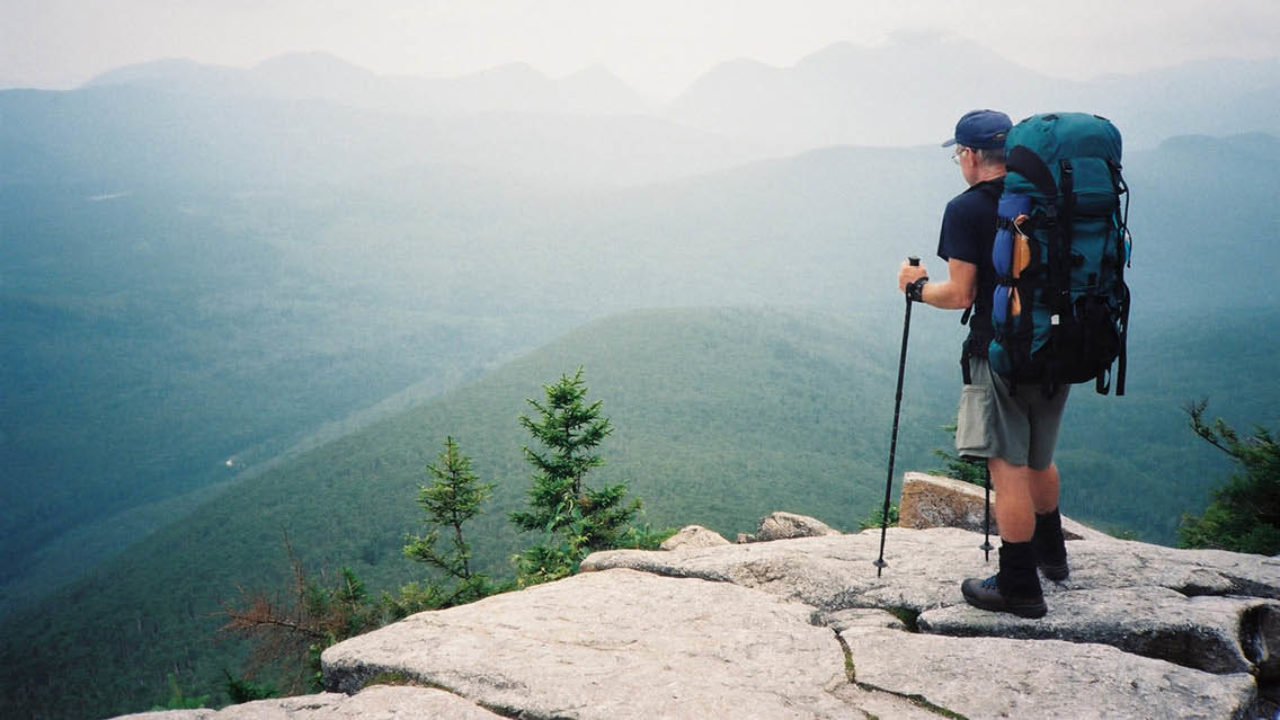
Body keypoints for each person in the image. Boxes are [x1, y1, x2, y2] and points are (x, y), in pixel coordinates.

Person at [896, 109, 1069, 619]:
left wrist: (916, 288)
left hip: (1001, 351)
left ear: (971, 156)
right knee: (1039, 456)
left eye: (958, 154)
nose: (959, 162)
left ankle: (1019, 585)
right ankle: (1052, 558)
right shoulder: (1049, 197)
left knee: (1006, 465)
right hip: (1060, 344)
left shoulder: (967, 208)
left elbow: (960, 294)